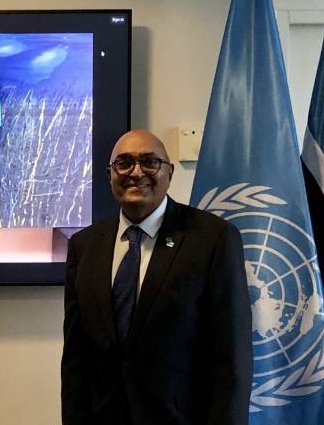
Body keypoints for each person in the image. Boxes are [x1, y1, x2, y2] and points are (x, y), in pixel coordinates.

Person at [61, 129, 251, 424]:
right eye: (124, 163)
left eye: (150, 162)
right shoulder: (84, 246)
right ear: (110, 175)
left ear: (169, 173)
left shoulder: (213, 239)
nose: (136, 173)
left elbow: (232, 357)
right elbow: (76, 357)